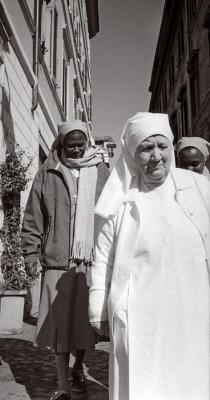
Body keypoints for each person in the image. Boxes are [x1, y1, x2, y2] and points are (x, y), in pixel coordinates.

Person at [89, 112, 210, 400]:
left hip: (191, 309)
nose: (156, 156)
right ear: (132, 154)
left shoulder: (200, 188)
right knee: (142, 384)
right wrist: (98, 306)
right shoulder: (119, 200)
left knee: (190, 379)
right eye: (146, 148)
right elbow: (103, 255)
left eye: (162, 146)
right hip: (138, 313)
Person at [21, 120, 109, 400]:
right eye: (70, 145)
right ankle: (62, 383)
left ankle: (79, 367)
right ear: (60, 144)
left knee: (86, 323)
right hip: (57, 260)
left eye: (80, 144)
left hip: (90, 260)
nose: (75, 149)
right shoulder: (47, 172)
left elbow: (112, 215)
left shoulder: (100, 169)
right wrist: (30, 252)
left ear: (87, 142)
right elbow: (33, 215)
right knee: (59, 326)